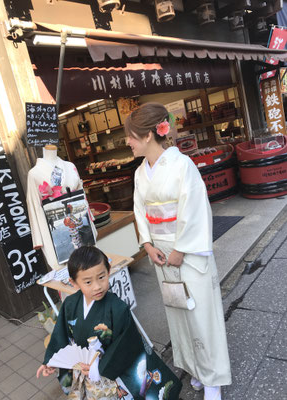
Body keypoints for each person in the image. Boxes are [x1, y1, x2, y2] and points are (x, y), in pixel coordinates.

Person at [125, 102, 231, 400]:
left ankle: (213, 379)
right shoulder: (140, 173)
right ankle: (196, 368)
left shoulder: (182, 165)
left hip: (186, 251)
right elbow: (140, 210)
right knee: (178, 313)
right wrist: (147, 244)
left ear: (148, 135)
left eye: (131, 136)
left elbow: (195, 209)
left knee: (200, 314)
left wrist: (181, 250)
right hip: (160, 252)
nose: (128, 142)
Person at [36, 246, 182, 400]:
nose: (97, 286)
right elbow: (61, 334)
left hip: (110, 372)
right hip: (86, 372)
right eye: (88, 282)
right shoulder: (70, 304)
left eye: (101, 277)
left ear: (108, 270)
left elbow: (126, 344)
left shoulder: (117, 308)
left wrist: (97, 367)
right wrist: (51, 360)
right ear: (74, 283)